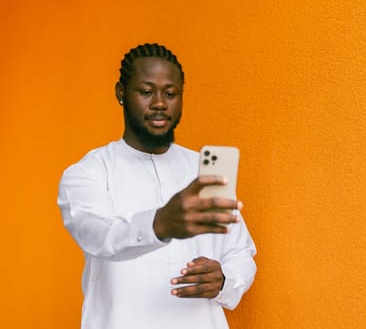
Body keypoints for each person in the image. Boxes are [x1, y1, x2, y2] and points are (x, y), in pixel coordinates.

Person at [58, 43, 257, 329]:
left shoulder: (202, 168)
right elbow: (97, 236)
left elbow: (240, 252)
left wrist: (224, 280)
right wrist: (158, 225)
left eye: (171, 93)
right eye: (147, 91)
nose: (160, 103)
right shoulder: (88, 173)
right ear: (121, 93)